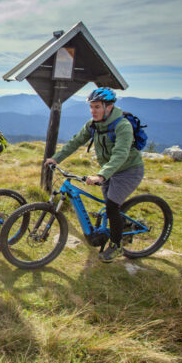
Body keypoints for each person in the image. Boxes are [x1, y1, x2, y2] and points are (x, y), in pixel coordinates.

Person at [44, 87, 144, 262]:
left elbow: (120, 155)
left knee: (112, 205)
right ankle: (122, 226)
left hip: (128, 170)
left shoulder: (123, 126)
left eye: (97, 107)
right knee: (110, 205)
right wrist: (56, 159)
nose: (93, 111)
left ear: (109, 106)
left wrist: (101, 175)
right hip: (109, 170)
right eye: (91, 107)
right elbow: (75, 142)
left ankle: (116, 246)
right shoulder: (92, 125)